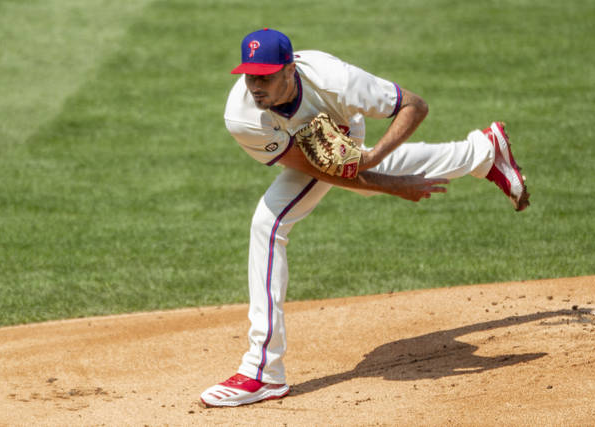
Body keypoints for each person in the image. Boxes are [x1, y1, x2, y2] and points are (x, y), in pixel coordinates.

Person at [200, 28, 529, 407]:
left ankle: (263, 372)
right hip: (307, 147)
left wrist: (370, 162)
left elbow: (415, 106)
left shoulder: (335, 80)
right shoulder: (243, 117)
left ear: (290, 70)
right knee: (328, 195)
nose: (255, 85)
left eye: (266, 76)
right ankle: (483, 151)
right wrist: (391, 184)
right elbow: (313, 168)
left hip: (343, 127)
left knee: (268, 223)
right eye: (249, 75)